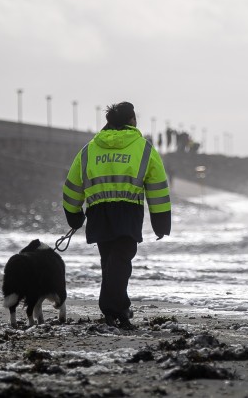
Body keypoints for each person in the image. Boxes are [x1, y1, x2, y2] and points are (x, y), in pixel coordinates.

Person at [62, 101, 171, 330]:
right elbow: (158, 187)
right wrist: (160, 221)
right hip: (127, 210)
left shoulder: (90, 149)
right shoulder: (143, 148)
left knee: (110, 261)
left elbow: (73, 185)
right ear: (132, 121)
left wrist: (73, 215)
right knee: (121, 260)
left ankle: (119, 309)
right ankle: (113, 308)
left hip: (98, 211)